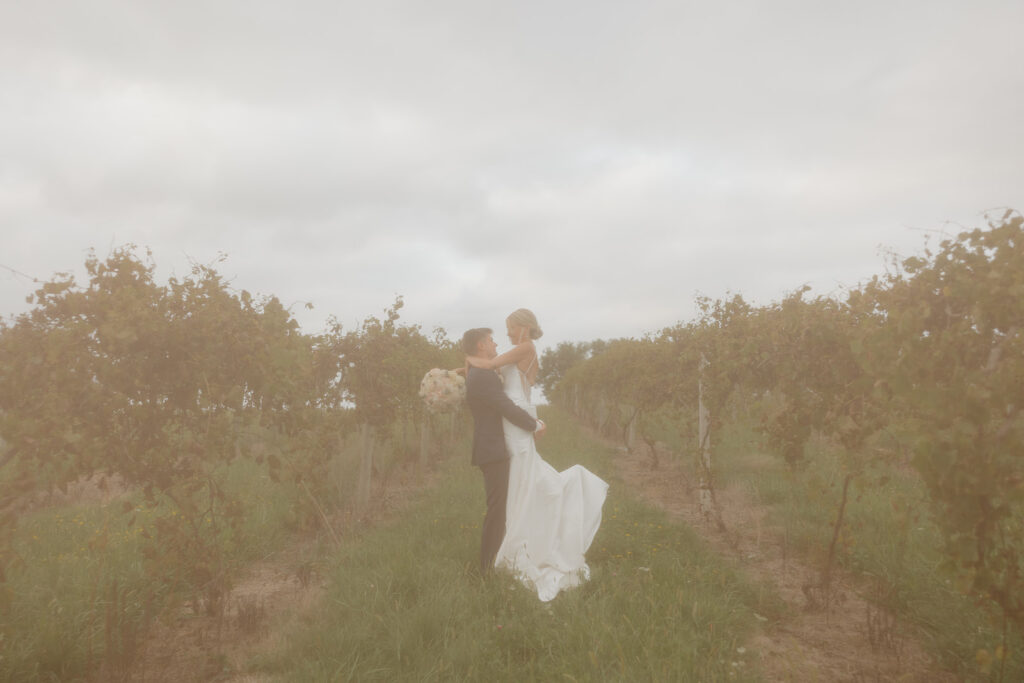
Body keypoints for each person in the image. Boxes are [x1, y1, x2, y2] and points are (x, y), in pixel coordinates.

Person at [466, 308, 609, 601]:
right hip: (514, 418)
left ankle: (518, 545)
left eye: (509, 329)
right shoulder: (519, 350)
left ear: (523, 327)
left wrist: (465, 361)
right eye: (500, 333)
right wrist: (456, 374)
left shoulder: (526, 347)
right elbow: (489, 370)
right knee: (520, 485)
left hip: (516, 418)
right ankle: (517, 541)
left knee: (521, 482)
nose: (505, 335)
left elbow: (489, 364)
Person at [462, 326, 547, 576]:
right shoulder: (482, 375)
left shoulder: (480, 373)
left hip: (493, 447)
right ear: (480, 346)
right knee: (498, 509)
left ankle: (496, 560)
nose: (495, 345)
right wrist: (534, 424)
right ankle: (486, 568)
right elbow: (504, 406)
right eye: (490, 341)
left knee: (502, 507)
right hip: (492, 449)